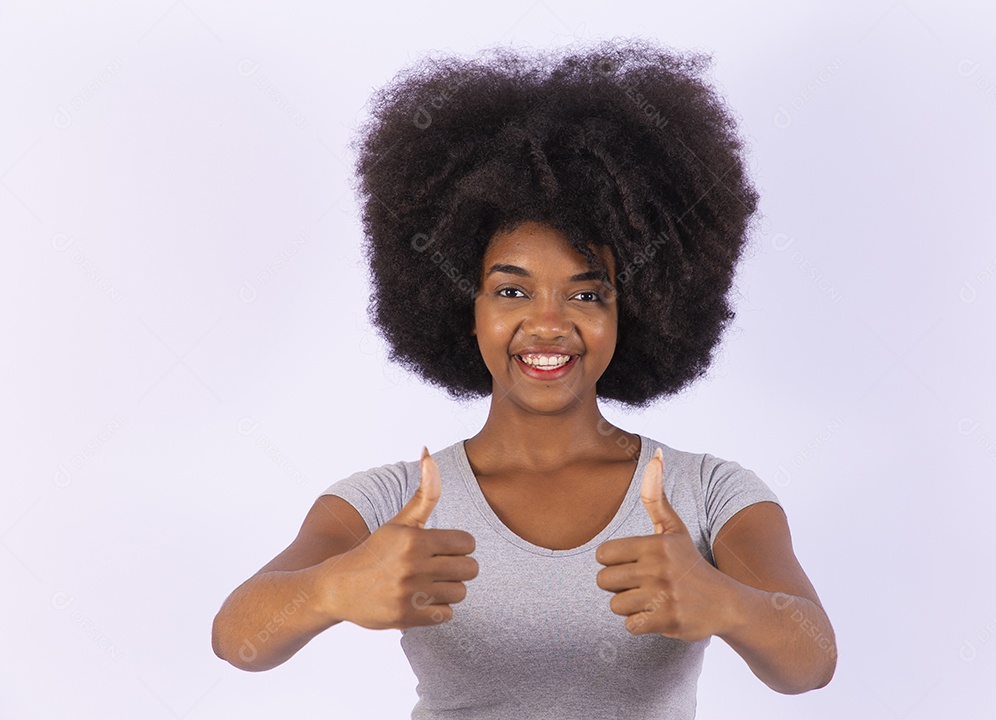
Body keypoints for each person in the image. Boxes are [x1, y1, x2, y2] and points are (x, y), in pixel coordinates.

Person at [212, 38, 836, 718]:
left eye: (587, 294)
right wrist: (331, 591)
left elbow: (811, 663)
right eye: (512, 293)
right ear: (464, 307)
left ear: (639, 307)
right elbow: (236, 637)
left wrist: (726, 603)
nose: (547, 323)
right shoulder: (394, 497)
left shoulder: (709, 494)